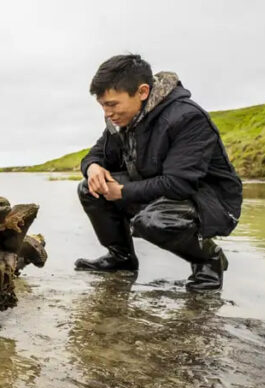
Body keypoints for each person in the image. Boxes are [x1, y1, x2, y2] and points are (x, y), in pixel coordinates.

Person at [74, 54, 243, 291]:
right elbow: (96, 155)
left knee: (154, 222)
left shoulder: (187, 117)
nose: (107, 113)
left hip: (209, 202)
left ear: (142, 92)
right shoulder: (122, 120)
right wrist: (92, 168)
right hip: (160, 189)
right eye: (102, 105)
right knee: (89, 188)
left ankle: (208, 260)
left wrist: (122, 191)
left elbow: (179, 184)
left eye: (112, 104)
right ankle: (121, 258)